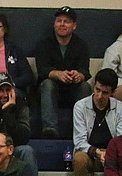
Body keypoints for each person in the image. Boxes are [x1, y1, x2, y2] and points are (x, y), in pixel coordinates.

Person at [34, 7, 92, 139]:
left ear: (74, 25)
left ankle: (83, 130)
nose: (61, 24)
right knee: (48, 84)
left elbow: (85, 71)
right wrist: (58, 74)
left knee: (85, 86)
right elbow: (42, 70)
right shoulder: (44, 44)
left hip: (72, 89)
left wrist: (79, 75)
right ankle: (50, 129)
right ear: (54, 24)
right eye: (58, 21)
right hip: (49, 92)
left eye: (66, 21)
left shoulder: (81, 45)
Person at [72, 69, 122, 176]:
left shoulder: (120, 107)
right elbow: (79, 141)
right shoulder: (80, 106)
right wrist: (98, 152)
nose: (99, 95)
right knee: (79, 159)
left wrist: (110, 154)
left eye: (105, 92)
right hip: (90, 154)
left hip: (113, 156)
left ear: (113, 93)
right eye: (97, 90)